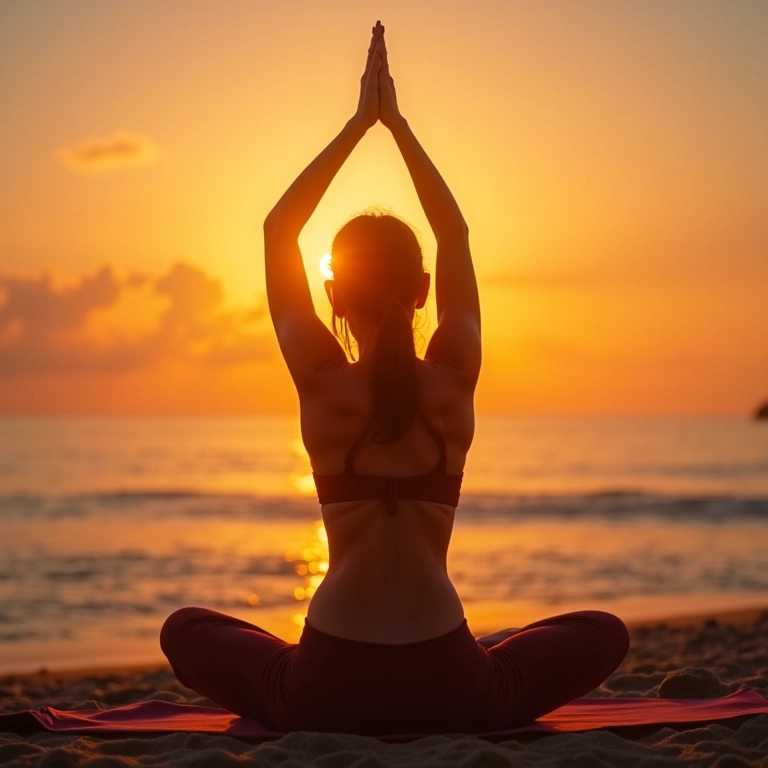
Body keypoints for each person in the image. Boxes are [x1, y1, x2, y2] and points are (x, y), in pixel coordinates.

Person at [160, 21, 630, 735]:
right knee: (603, 630)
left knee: (186, 628)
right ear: (422, 290)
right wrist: (399, 128)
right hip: (454, 683)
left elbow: (276, 231)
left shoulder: (320, 384)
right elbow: (456, 234)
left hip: (321, 687)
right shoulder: (454, 378)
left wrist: (358, 126)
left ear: (334, 299)